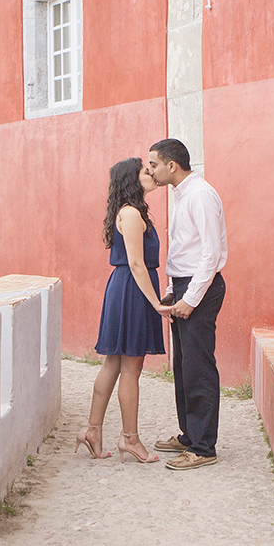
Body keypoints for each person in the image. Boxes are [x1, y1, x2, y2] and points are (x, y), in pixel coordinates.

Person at [77, 157, 171, 463]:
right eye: (146, 171)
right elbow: (135, 262)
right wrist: (156, 303)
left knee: (114, 363)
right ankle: (129, 439)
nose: (152, 174)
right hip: (132, 289)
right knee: (131, 367)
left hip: (125, 288)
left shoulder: (129, 211)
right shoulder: (131, 213)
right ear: (133, 179)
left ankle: (92, 431)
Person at [146, 138, 227, 471]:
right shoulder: (183, 194)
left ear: (171, 166)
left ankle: (204, 448)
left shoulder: (201, 195)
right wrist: (171, 289)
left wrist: (190, 299)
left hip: (201, 288)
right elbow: (184, 250)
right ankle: (189, 435)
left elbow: (210, 253)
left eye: (153, 164)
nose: (149, 170)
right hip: (185, 285)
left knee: (199, 368)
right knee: (183, 368)